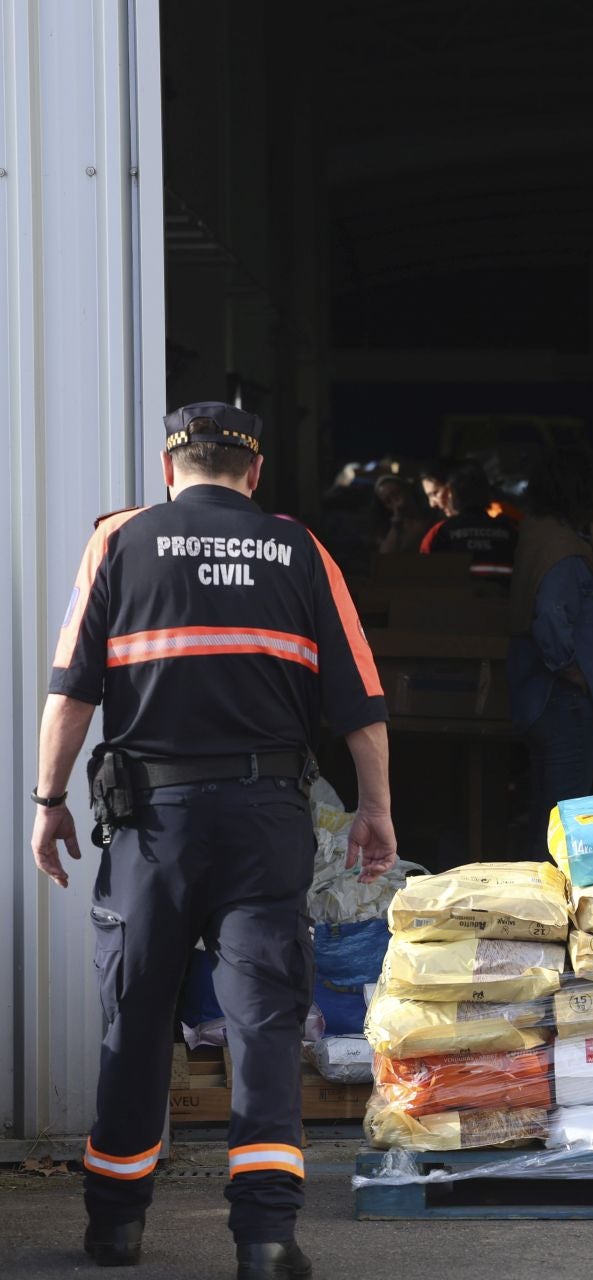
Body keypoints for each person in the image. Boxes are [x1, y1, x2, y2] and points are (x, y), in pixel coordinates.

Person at [30, 402, 396, 1280]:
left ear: (168, 468)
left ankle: (115, 1227)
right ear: (255, 473)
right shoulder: (301, 550)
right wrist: (375, 807)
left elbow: (71, 689)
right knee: (265, 1024)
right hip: (266, 820)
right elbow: (361, 701)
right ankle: (266, 1240)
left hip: (153, 828)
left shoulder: (119, 542)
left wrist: (49, 799)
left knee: (138, 1015)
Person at [508, 447, 593, 850]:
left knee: (547, 809)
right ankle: (548, 904)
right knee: (564, 818)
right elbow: (551, 618)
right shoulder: (561, 548)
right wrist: (575, 674)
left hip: (541, 701)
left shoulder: (542, 536)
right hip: (564, 701)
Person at [419, 462, 517, 582]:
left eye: (435, 493)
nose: (432, 504)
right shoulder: (511, 531)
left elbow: (424, 583)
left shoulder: (438, 534)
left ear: (452, 490)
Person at [373, 473, 433, 557]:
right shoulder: (391, 529)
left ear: (406, 488)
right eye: (388, 500)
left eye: (396, 493)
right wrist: (396, 522)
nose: (394, 501)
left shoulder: (432, 511)